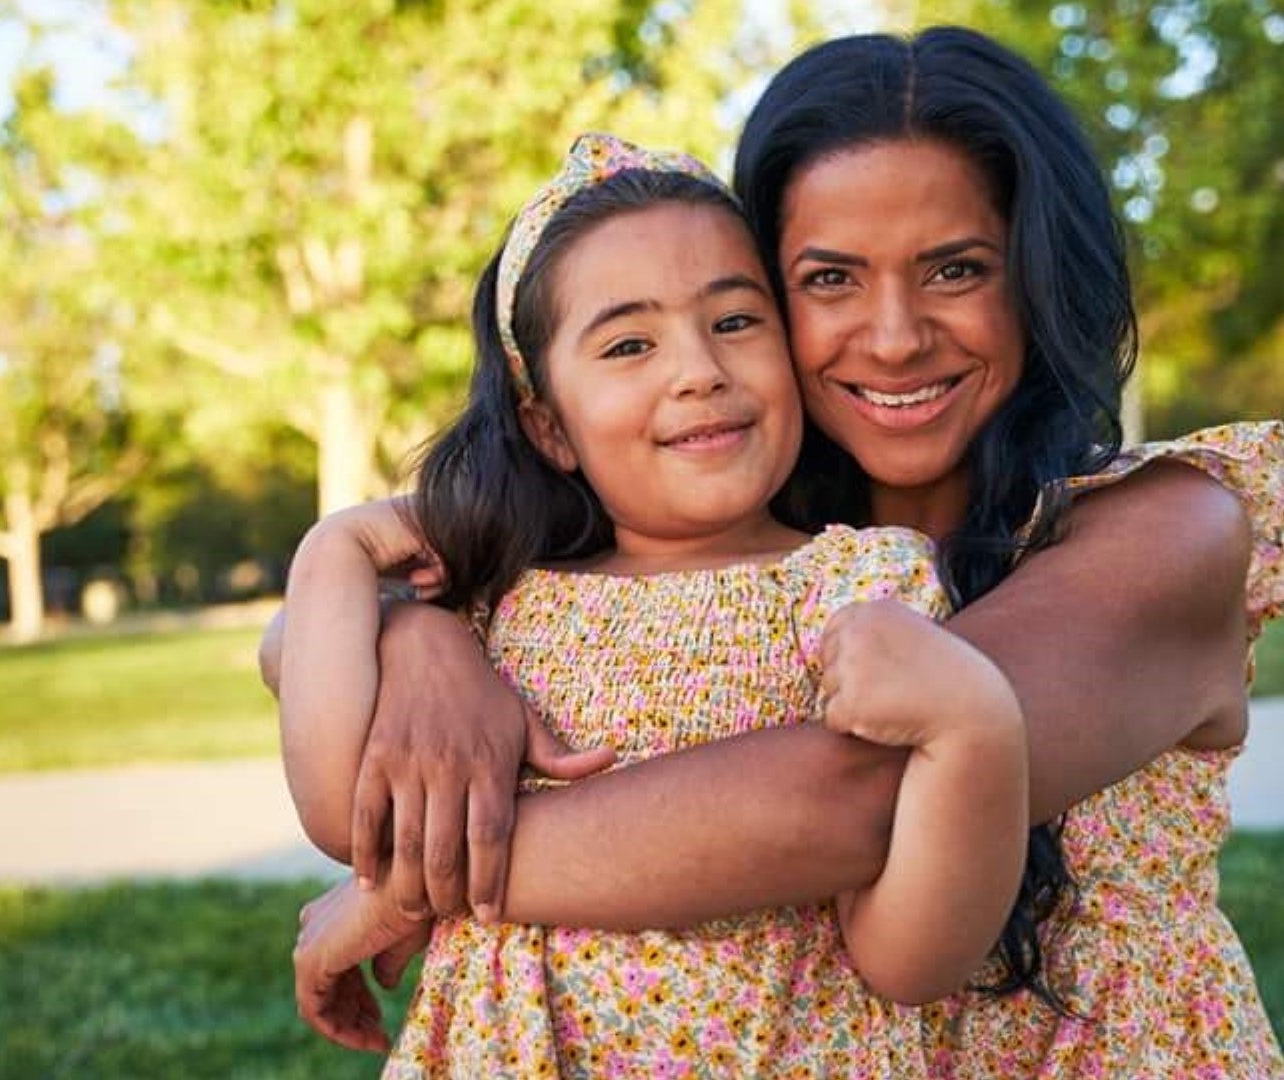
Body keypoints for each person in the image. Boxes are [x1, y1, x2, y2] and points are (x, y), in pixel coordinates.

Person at [267, 26, 1284, 1078]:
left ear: (1041, 275)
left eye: (956, 269)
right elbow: (300, 650)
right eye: (829, 279)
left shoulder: (1167, 524)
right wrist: (424, 645)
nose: (896, 335)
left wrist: (414, 876)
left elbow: (851, 798)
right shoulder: (724, 527)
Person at [278, 131, 1036, 1075]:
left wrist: (975, 731)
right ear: (549, 427)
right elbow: (338, 811)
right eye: (630, 344)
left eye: (734, 322)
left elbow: (912, 961)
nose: (698, 370)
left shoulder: (858, 590)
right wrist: (337, 548)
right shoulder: (505, 601)